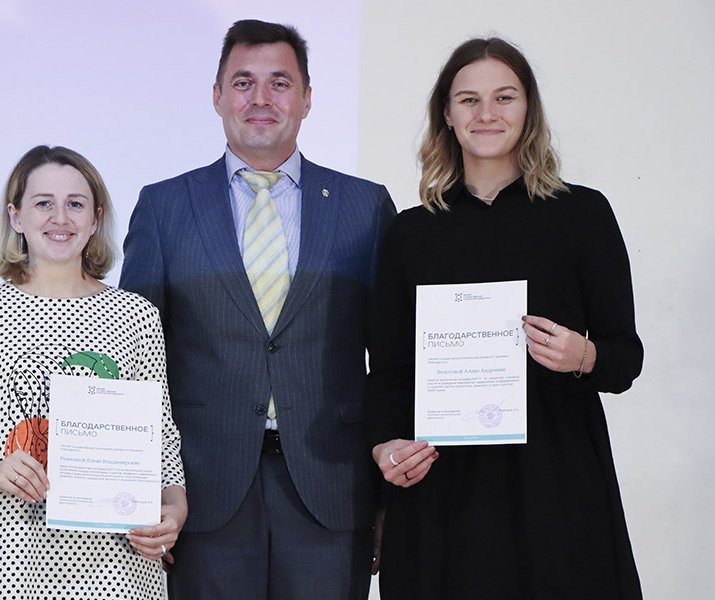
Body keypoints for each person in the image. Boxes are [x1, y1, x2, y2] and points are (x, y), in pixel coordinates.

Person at [119, 19, 396, 600]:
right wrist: (139, 491)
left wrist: (388, 497)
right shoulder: (165, 207)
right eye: (243, 83)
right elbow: (134, 361)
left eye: (280, 83)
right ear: (217, 96)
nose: (261, 99)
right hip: (200, 492)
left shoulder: (365, 207)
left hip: (332, 489)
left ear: (307, 98)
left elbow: (392, 356)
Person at [367, 37, 643, 599]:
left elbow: (624, 358)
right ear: (447, 115)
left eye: (504, 97)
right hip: (442, 488)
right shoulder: (410, 233)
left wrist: (583, 355)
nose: (486, 113)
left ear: (529, 109)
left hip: (556, 483)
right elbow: (389, 372)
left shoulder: (583, 214)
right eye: (468, 100)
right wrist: (385, 447)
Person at [0, 145, 186, 600]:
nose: (61, 218)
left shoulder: (136, 316)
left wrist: (174, 508)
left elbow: (162, 438)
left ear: (95, 219)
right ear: (16, 216)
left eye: (75, 204)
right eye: (43, 203)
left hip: (115, 565)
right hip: (9, 559)